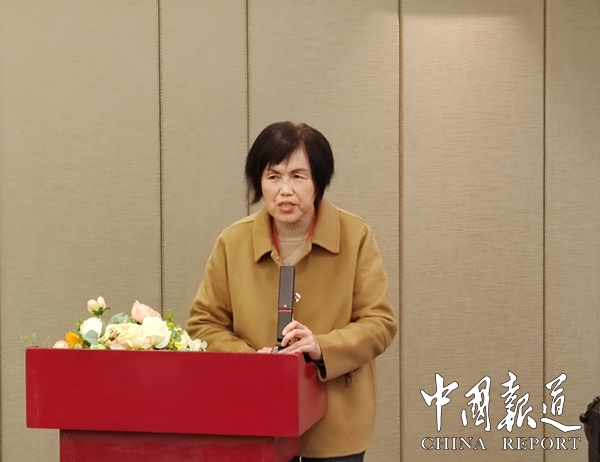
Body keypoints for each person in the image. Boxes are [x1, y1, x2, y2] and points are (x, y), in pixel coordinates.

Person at [186, 121, 397, 461]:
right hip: (255, 414)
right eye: (273, 176)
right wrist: (251, 360)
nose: (285, 190)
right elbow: (203, 324)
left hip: (336, 417)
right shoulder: (233, 242)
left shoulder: (355, 236)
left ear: (319, 181)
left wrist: (322, 346)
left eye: (298, 176)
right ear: (259, 181)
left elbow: (379, 323)